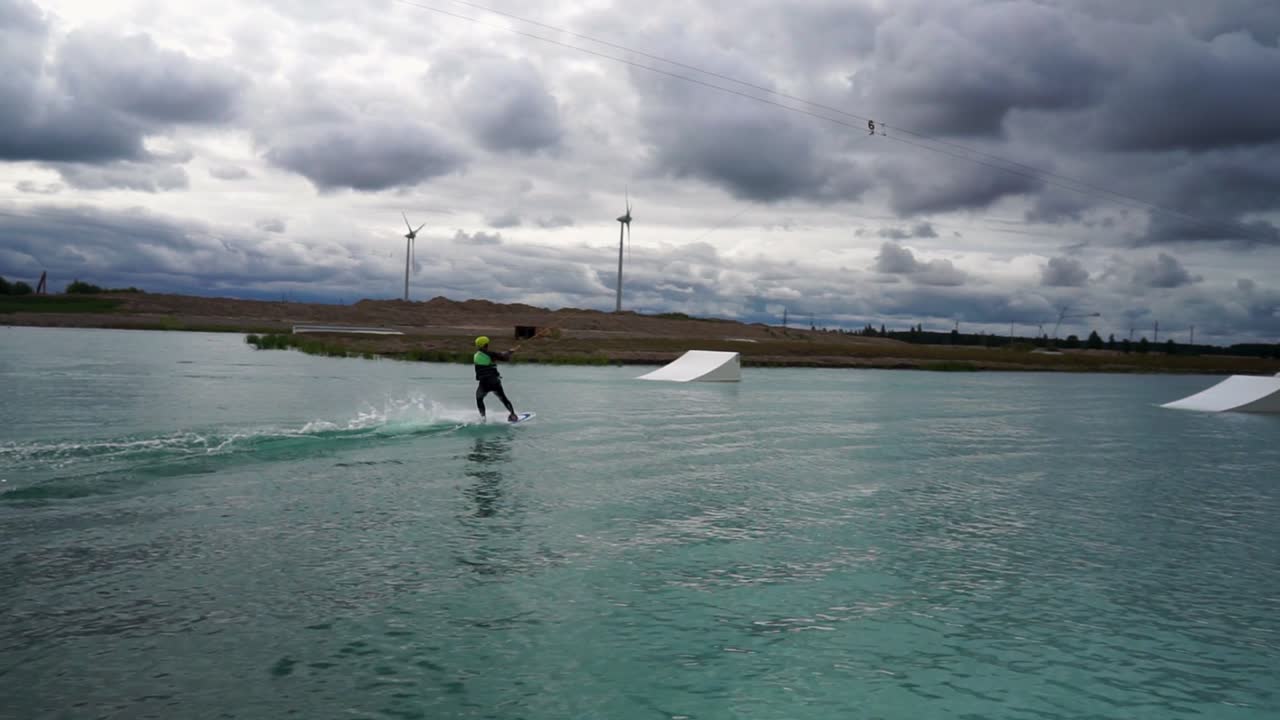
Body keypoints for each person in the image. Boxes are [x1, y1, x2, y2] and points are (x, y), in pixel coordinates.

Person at [473, 336, 519, 422]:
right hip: (494, 382)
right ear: (486, 345)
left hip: (484, 384)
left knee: (479, 399)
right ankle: (512, 414)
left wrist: (508, 352)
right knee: (503, 398)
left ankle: (483, 418)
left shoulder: (476, 355)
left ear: (478, 346)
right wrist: (510, 352)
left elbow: (498, 355)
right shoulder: (491, 354)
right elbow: (503, 357)